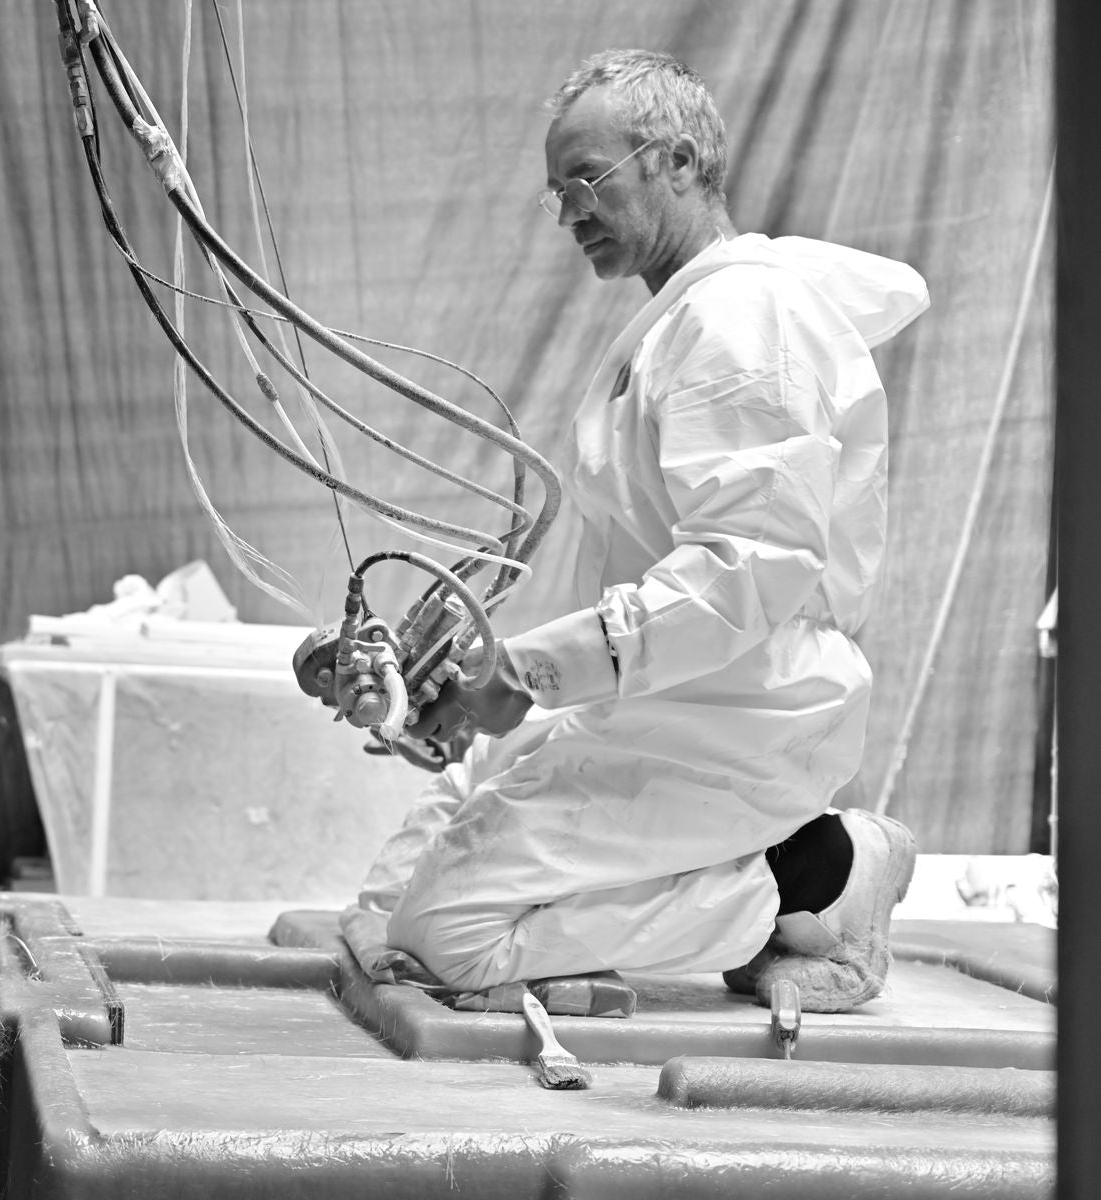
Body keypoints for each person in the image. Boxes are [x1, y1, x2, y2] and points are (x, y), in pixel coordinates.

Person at [340, 50, 930, 1014]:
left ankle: (825, 870)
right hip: (661, 690)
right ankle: (767, 872)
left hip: (736, 712)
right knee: (392, 892)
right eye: (556, 193)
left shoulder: (739, 319)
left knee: (444, 936)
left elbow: (747, 569)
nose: (568, 213)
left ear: (680, 161)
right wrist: (482, 684)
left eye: (586, 179)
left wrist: (530, 672)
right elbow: (661, 568)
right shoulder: (686, 318)